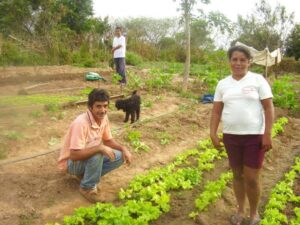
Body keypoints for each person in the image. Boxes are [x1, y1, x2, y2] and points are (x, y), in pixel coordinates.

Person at [210, 46, 274, 225]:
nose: (238, 63)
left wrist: (267, 134)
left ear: (249, 62)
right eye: (234, 59)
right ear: (230, 61)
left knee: (252, 178)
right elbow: (216, 112)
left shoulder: (258, 80)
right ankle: (240, 210)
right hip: (231, 136)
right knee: (237, 175)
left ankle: (253, 214)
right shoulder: (223, 84)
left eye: (242, 60)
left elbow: (269, 108)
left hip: (254, 137)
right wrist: (212, 132)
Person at [58, 88, 132, 203]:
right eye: (98, 106)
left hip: (87, 158)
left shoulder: (104, 118)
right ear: (90, 107)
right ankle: (86, 188)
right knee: (98, 153)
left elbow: (108, 140)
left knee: (119, 156)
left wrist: (124, 148)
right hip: (72, 164)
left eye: (105, 106)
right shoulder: (81, 123)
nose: (102, 110)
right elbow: (73, 155)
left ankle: (87, 177)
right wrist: (99, 148)